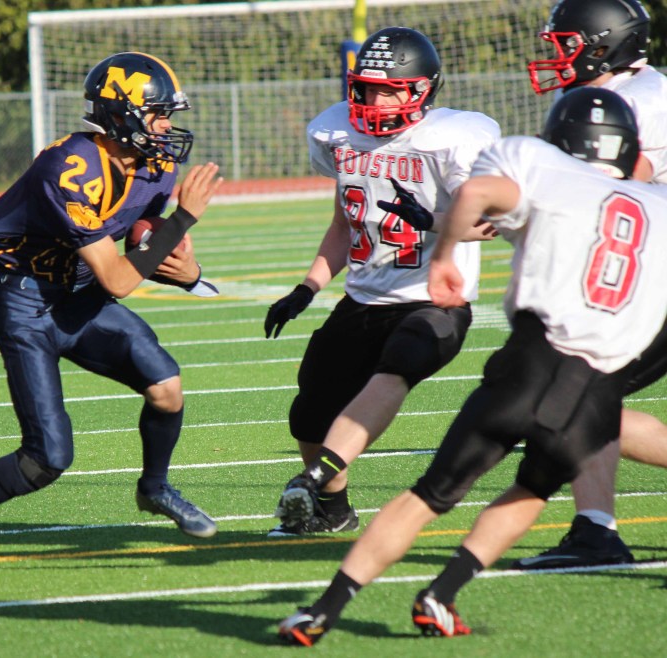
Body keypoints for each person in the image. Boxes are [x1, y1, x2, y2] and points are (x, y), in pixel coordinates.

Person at [277, 86, 667, 647]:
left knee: (429, 496)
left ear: (559, 139)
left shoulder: (541, 168)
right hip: (596, 390)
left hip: (530, 365)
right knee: (530, 493)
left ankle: (324, 609)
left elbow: (481, 194)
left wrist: (441, 260)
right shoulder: (655, 203)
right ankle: (442, 593)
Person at [0, 51, 222, 585]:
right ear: (123, 115)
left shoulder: (156, 164)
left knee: (167, 387)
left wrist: (188, 265)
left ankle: (154, 488)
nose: (167, 126)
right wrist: (185, 217)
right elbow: (121, 280)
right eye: (157, 114)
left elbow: (147, 240)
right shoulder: (71, 169)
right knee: (47, 457)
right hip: (29, 305)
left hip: (80, 298)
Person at [263, 27, 500, 537]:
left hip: (432, 301)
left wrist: (431, 220)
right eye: (368, 87)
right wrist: (306, 288)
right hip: (364, 296)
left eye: (389, 88)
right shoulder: (338, 133)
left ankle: (313, 477)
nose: (375, 98)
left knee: (397, 367)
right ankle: (332, 508)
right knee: (309, 412)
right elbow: (343, 225)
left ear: (421, 90)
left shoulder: (451, 139)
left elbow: (492, 223)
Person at [518, 0, 667, 569]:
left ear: (604, 44)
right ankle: (595, 531)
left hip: (648, 274)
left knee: (577, 395)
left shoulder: (643, 100)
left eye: (564, 44)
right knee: (584, 399)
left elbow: (619, 190)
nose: (554, 56)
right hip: (636, 270)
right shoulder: (600, 90)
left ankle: (596, 533)